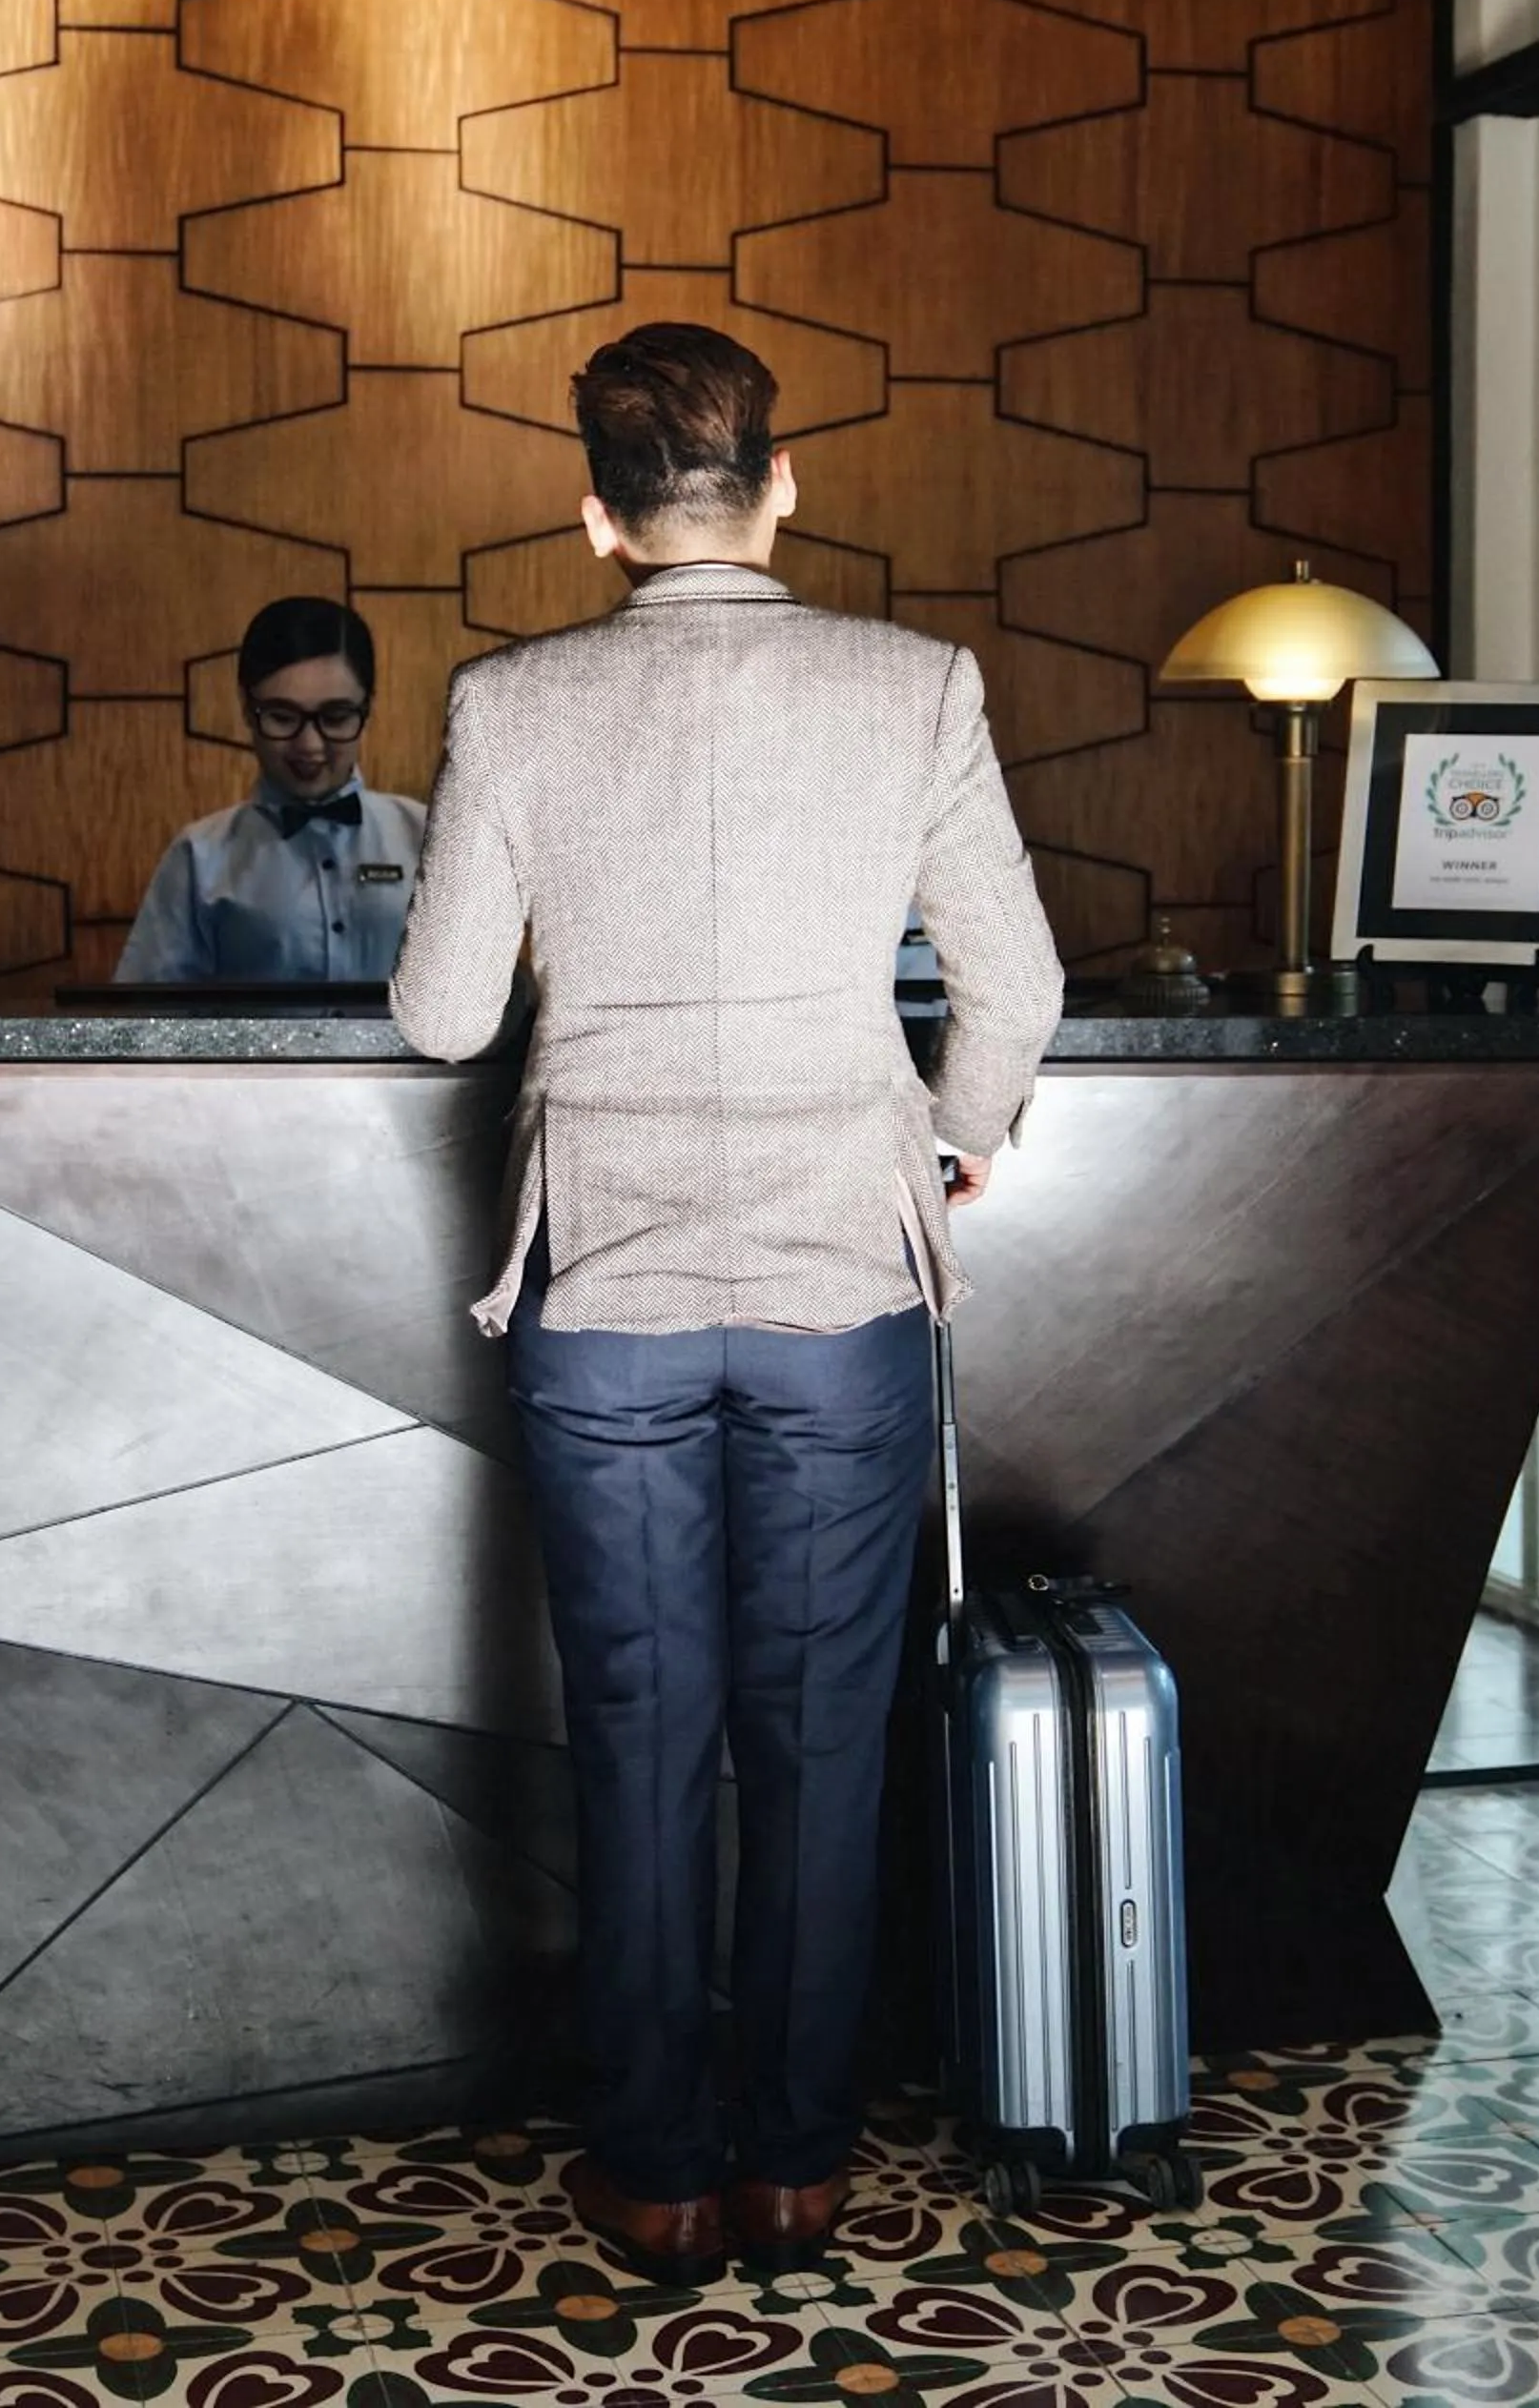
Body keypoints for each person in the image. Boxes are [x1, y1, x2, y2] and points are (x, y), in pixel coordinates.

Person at [390, 325, 1062, 2288]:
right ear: (783, 488)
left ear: (597, 519)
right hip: (842, 1286)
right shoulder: (914, 685)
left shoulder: (511, 699)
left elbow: (440, 1015)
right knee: (821, 1738)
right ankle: (799, 2167)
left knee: (640, 1729)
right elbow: (1012, 992)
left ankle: (661, 2172)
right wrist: (951, 1141)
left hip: (606, 1289)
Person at [116, 597, 425, 985]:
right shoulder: (199, 857)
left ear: (368, 708)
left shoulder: (428, 837)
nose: (310, 745)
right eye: (283, 717)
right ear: (247, 708)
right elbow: (146, 1020)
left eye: (335, 717)